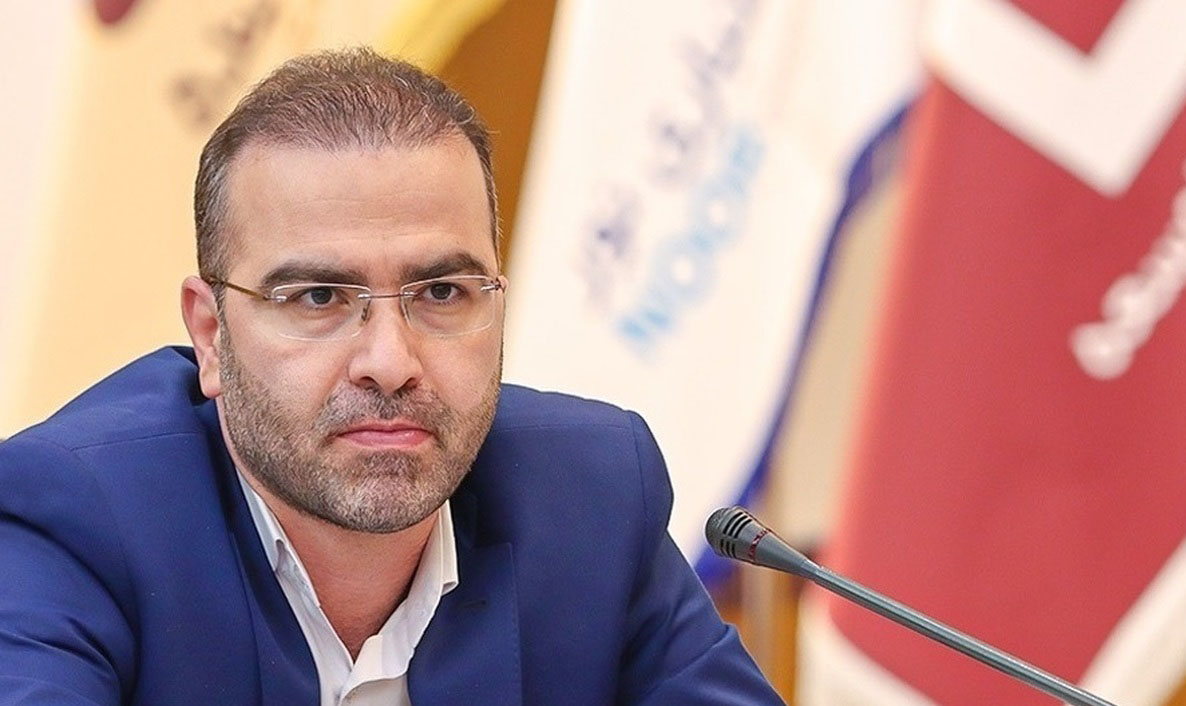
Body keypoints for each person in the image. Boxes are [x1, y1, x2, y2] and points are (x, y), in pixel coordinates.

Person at [0, 48, 782, 705]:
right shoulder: (73, 521)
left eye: (440, 293)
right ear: (211, 334)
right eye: (318, 298)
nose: (390, 363)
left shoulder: (590, 495)